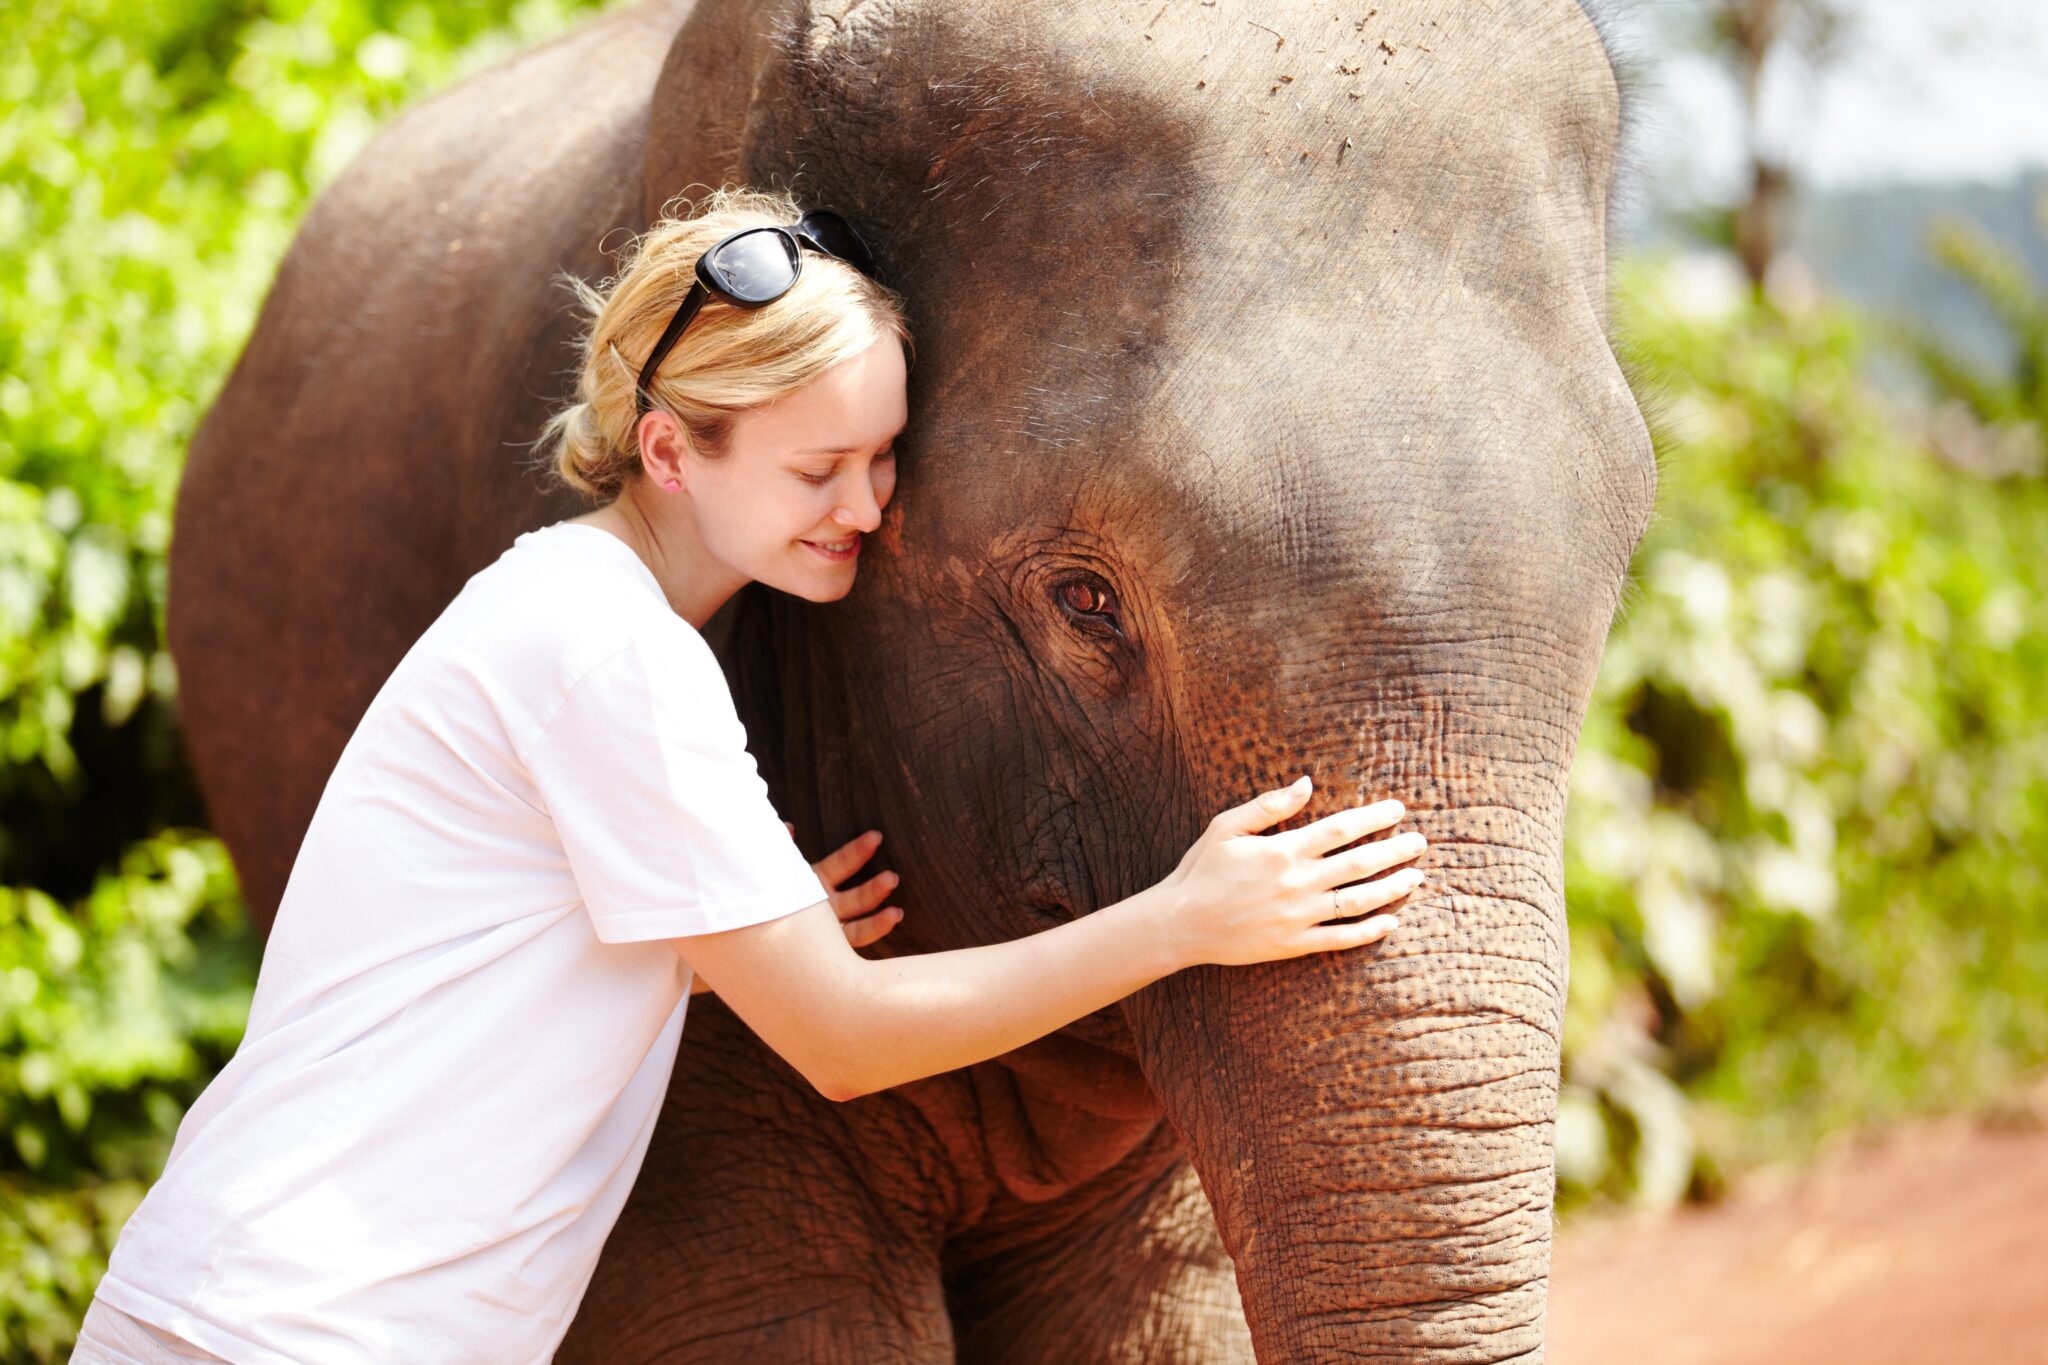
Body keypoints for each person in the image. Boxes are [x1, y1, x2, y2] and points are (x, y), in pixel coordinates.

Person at [75, 185, 1429, 1364]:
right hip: (287, 1330)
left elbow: (489, 940)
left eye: (885, 454)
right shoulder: (615, 654)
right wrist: (1186, 917)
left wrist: (712, 942)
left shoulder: (574, 612)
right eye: (816, 468)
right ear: (669, 449)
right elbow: (843, 1042)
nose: (866, 506)